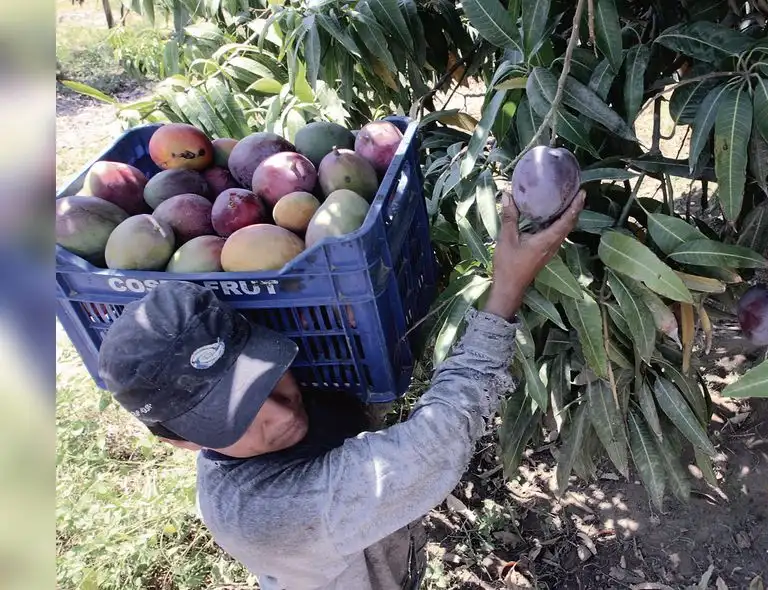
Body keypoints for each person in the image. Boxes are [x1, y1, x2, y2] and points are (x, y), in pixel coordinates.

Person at [97, 190, 585, 590]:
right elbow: (437, 442)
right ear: (182, 442)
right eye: (236, 414)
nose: (281, 410)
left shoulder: (276, 423)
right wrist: (505, 292)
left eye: (266, 374)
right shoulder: (272, 515)